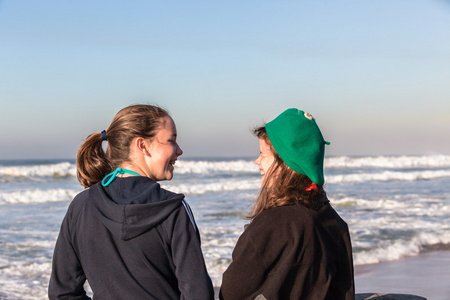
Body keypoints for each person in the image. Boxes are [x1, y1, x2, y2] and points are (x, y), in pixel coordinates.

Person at [49, 104, 214, 300]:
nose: (179, 151)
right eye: (171, 141)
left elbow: (62, 293)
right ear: (142, 145)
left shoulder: (81, 205)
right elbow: (199, 294)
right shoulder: (172, 208)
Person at [220, 108, 354, 300]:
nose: (257, 161)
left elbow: (231, 291)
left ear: (286, 162)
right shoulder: (335, 223)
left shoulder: (272, 224)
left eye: (263, 154)